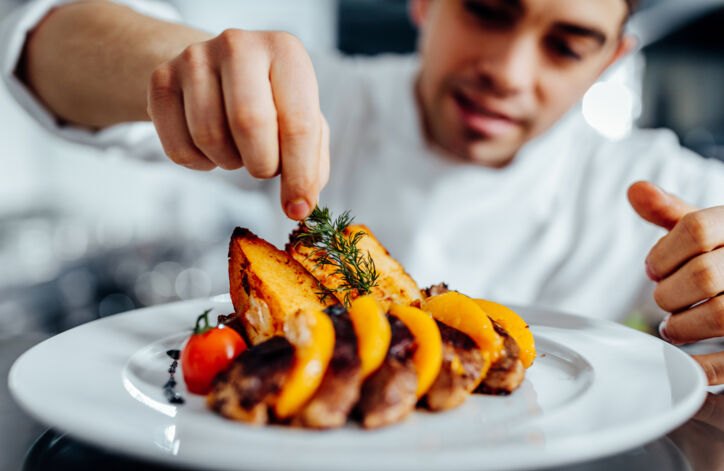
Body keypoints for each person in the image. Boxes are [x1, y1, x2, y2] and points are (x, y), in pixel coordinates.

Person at [2, 0, 724, 382]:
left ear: (612, 60)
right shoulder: (330, 99)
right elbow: (37, 40)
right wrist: (178, 65)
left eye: (566, 45)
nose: (507, 70)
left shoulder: (660, 185)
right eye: (486, 9)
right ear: (424, 3)